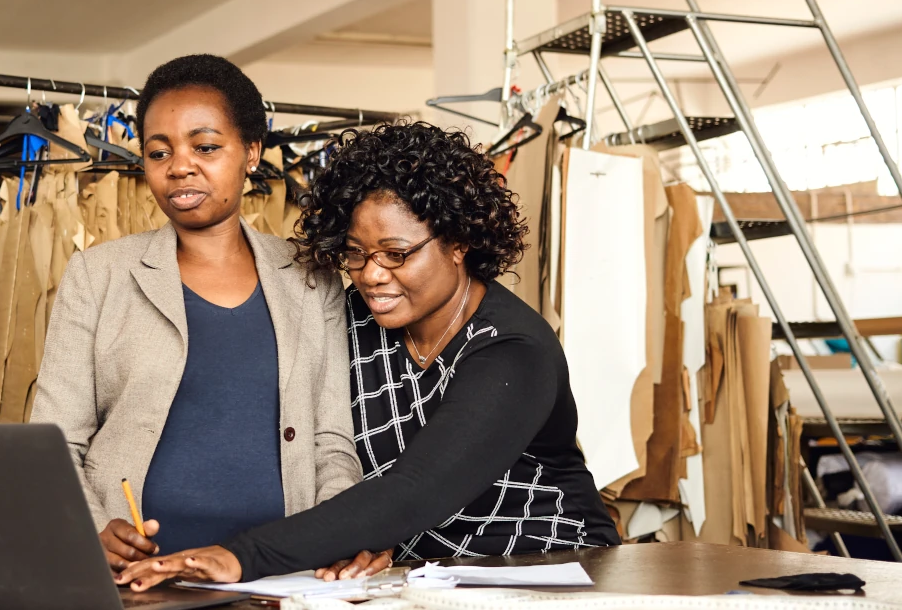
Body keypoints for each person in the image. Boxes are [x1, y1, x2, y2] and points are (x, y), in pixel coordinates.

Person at [115, 121, 621, 590]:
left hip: (545, 570)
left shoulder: (513, 351)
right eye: (355, 253)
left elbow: (414, 491)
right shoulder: (354, 315)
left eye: (396, 254)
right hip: (419, 579)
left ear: (458, 242)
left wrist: (240, 556)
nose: (372, 274)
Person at [29, 54, 361, 576]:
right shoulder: (99, 275)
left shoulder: (310, 277)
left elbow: (331, 440)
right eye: (159, 151)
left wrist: (332, 536)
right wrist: (90, 527)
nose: (179, 165)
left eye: (205, 146)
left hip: (282, 574)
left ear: (251, 152)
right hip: (139, 575)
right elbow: (53, 440)